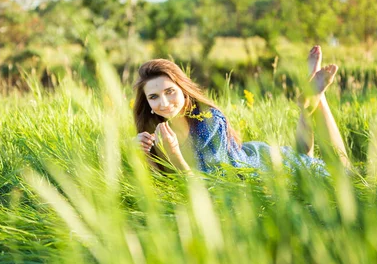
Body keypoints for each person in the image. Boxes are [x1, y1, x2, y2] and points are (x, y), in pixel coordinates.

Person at [133, 46, 350, 175]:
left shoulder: (209, 120)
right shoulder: (155, 132)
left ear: (183, 90)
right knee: (303, 153)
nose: (164, 102)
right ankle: (311, 99)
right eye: (154, 97)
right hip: (251, 153)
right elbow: (161, 183)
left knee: (343, 171)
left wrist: (175, 156)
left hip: (264, 170)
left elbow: (212, 186)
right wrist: (137, 155)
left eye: (170, 91)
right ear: (147, 104)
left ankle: (317, 97)